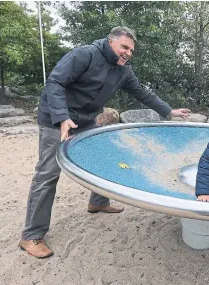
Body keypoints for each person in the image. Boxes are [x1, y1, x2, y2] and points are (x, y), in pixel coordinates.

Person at [19, 26, 191, 258]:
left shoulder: (123, 71)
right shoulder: (85, 55)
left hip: (86, 120)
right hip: (55, 120)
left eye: (131, 49)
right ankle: (31, 235)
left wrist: (169, 111)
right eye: (124, 47)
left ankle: (98, 202)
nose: (128, 52)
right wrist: (62, 118)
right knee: (48, 174)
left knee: (101, 157)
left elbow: (142, 92)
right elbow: (55, 83)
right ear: (111, 42)